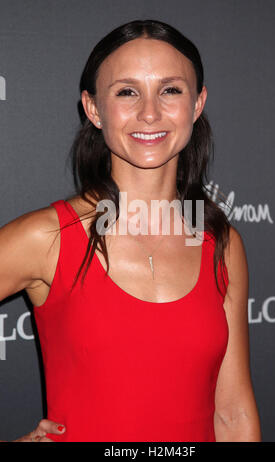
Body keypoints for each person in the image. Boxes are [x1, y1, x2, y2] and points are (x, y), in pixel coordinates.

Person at [0, 19, 261, 442]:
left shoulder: (221, 245)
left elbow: (232, 414)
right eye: (127, 92)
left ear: (197, 104)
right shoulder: (48, 238)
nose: (150, 113)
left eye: (171, 90)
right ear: (93, 108)